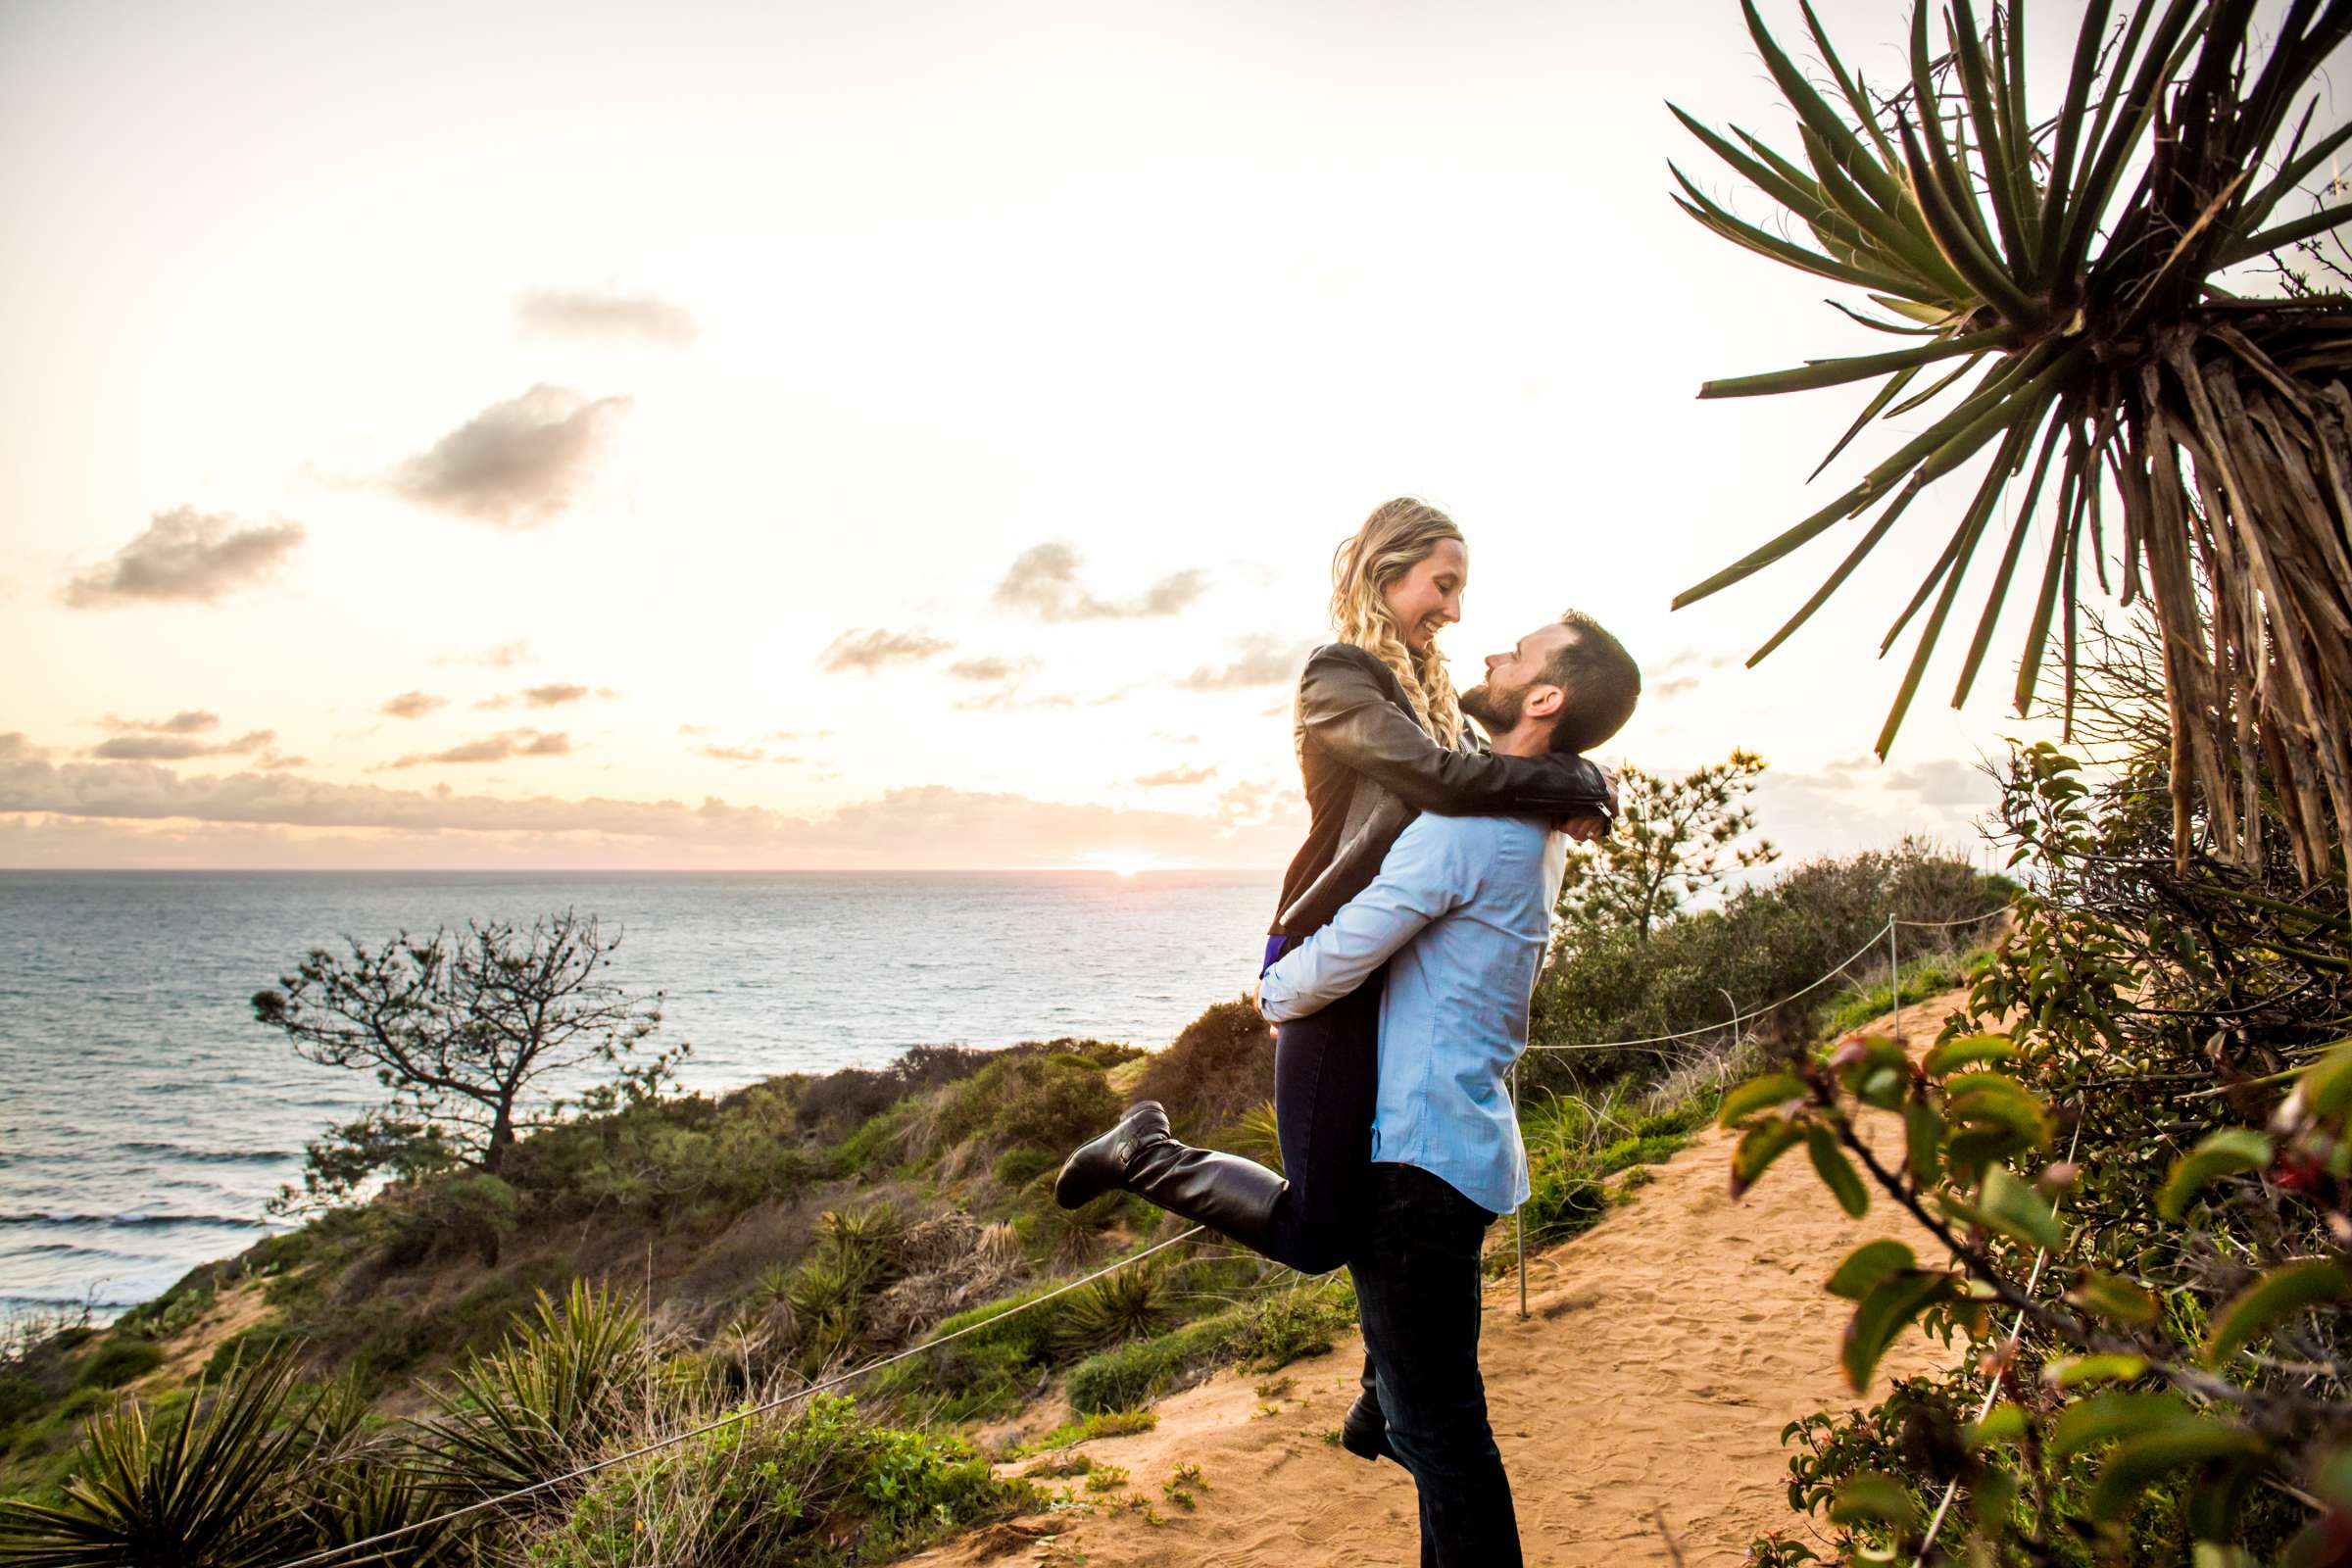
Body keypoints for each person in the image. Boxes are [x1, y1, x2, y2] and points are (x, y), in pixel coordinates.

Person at [1054, 496, 1613, 1454]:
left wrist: (1581, 778)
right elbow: (1446, 784)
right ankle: (1142, 1148)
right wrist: (1579, 781)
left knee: (1382, 1203)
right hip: (1319, 970)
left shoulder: (1430, 692)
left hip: (1373, 975)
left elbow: (1484, 782)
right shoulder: (1338, 678)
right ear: (1384, 573)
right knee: (1320, 1230)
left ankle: (1375, 1405)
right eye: (1444, 584)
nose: (1454, 609)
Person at [1257, 610, 1642, 1568]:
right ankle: (1381, 1399)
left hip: (1416, 1172)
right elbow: (1451, 756)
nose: (1494, 652)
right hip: (1455, 1153)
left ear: (1544, 698)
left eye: (1518, 654)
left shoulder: (1473, 834)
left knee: (1449, 1447)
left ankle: (1386, 1405)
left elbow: (1343, 952)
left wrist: (1270, 989)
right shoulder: (1533, 824)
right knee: (1433, 1425)